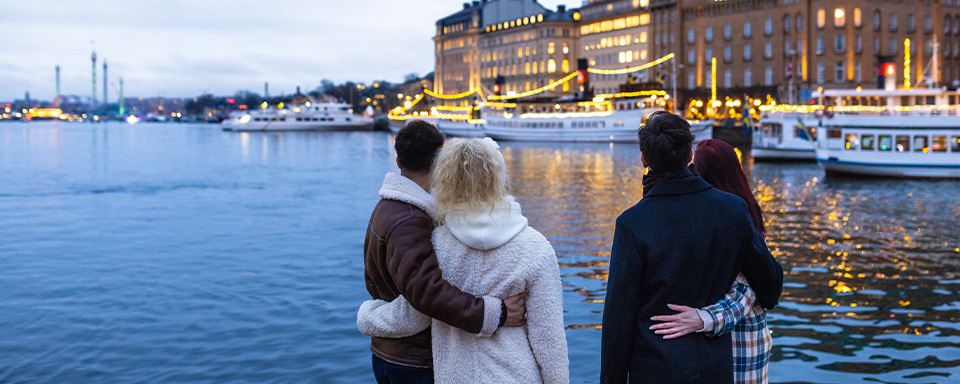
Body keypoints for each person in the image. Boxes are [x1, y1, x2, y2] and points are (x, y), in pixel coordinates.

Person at [358, 137, 569, 384]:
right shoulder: (536, 248)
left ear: (446, 181)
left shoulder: (436, 244)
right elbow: (549, 340)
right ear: (500, 179)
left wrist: (368, 316)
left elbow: (415, 315)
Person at [600, 111, 784, 384]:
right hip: (716, 368)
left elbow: (618, 320)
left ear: (644, 160)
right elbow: (770, 287)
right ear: (689, 155)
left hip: (656, 368)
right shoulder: (732, 210)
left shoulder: (633, 223)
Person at [650, 139, 773, 384]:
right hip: (723, 340)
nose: (689, 174)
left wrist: (702, 318)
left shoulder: (735, 216)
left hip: (740, 341)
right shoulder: (729, 210)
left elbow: (746, 289)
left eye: (694, 168)